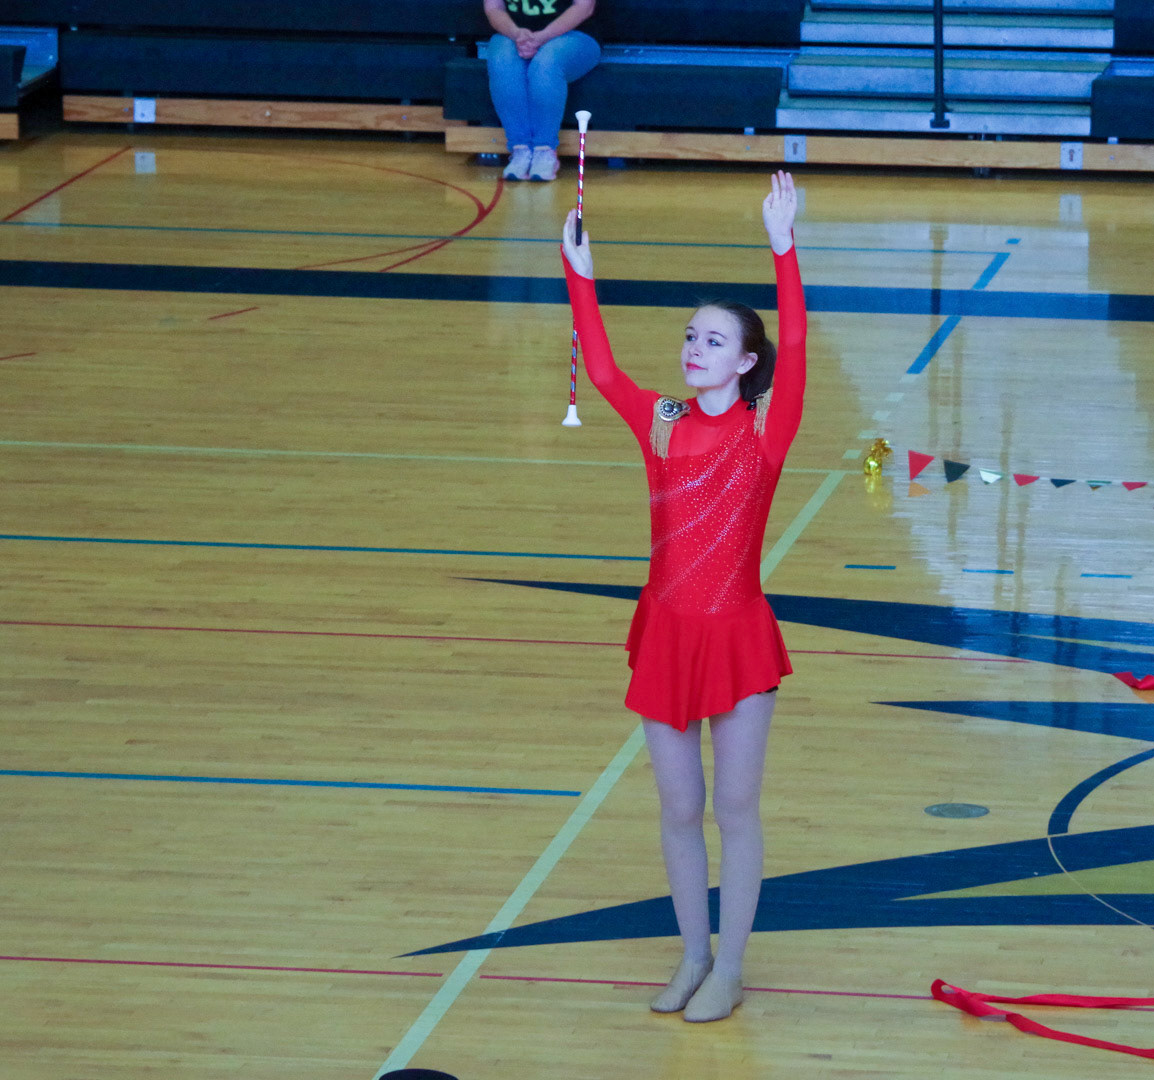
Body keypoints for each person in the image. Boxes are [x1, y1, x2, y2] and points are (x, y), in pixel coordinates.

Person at [560, 172, 804, 1022]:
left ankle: (729, 967)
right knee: (678, 808)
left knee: (734, 809)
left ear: (745, 362)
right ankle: (693, 955)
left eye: (713, 340)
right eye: (690, 336)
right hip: (665, 634)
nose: (695, 349)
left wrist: (782, 249)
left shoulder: (765, 428)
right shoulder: (661, 421)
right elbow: (600, 368)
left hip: (736, 636)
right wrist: (579, 273)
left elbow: (796, 343)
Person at [483, 0, 600, 182]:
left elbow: (584, 7)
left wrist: (542, 37)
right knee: (501, 60)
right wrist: (517, 34)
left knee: (546, 64)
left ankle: (544, 150)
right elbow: (494, 8)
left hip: (575, 35)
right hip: (513, 34)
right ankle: (520, 149)